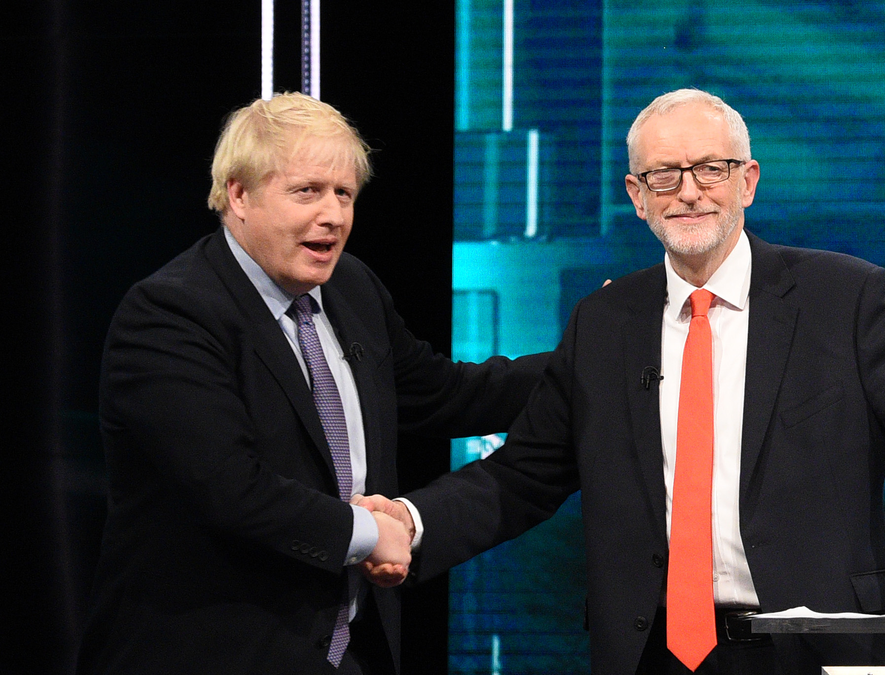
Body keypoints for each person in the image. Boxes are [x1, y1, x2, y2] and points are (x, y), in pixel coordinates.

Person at [360, 89, 885, 674]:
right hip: (650, 651)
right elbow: (524, 473)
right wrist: (411, 521)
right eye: (664, 176)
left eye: (710, 168)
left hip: (814, 644)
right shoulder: (606, 322)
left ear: (749, 180)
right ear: (636, 199)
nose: (690, 191)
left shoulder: (846, 297)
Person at [75, 93, 548, 675]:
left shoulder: (350, 286)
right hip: (215, 653)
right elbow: (230, 490)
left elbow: (443, 394)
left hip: (347, 650)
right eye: (308, 191)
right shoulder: (171, 314)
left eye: (344, 194)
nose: (334, 215)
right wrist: (373, 532)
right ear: (238, 196)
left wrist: (590, 359)